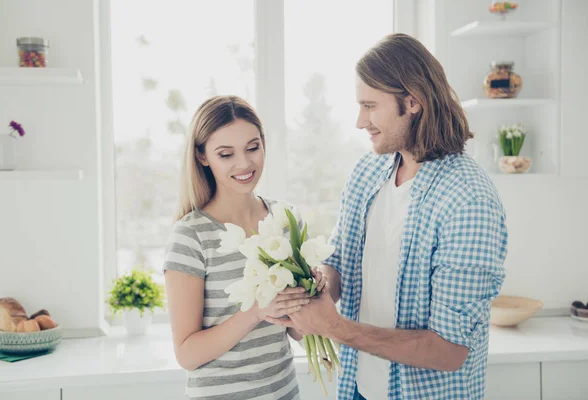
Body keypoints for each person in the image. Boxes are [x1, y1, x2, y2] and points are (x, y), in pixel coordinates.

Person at [266, 33, 508, 400]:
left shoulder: (467, 199)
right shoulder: (367, 172)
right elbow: (339, 264)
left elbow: (449, 350)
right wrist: (306, 294)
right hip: (359, 389)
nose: (360, 121)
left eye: (369, 106)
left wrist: (334, 327)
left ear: (412, 101)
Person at [164, 95, 320, 400]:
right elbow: (187, 354)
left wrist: (311, 295)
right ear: (203, 157)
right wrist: (257, 311)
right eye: (226, 154)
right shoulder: (191, 235)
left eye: (252, 148)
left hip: (284, 392)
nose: (245, 164)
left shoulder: (285, 219)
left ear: (263, 143)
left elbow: (298, 331)